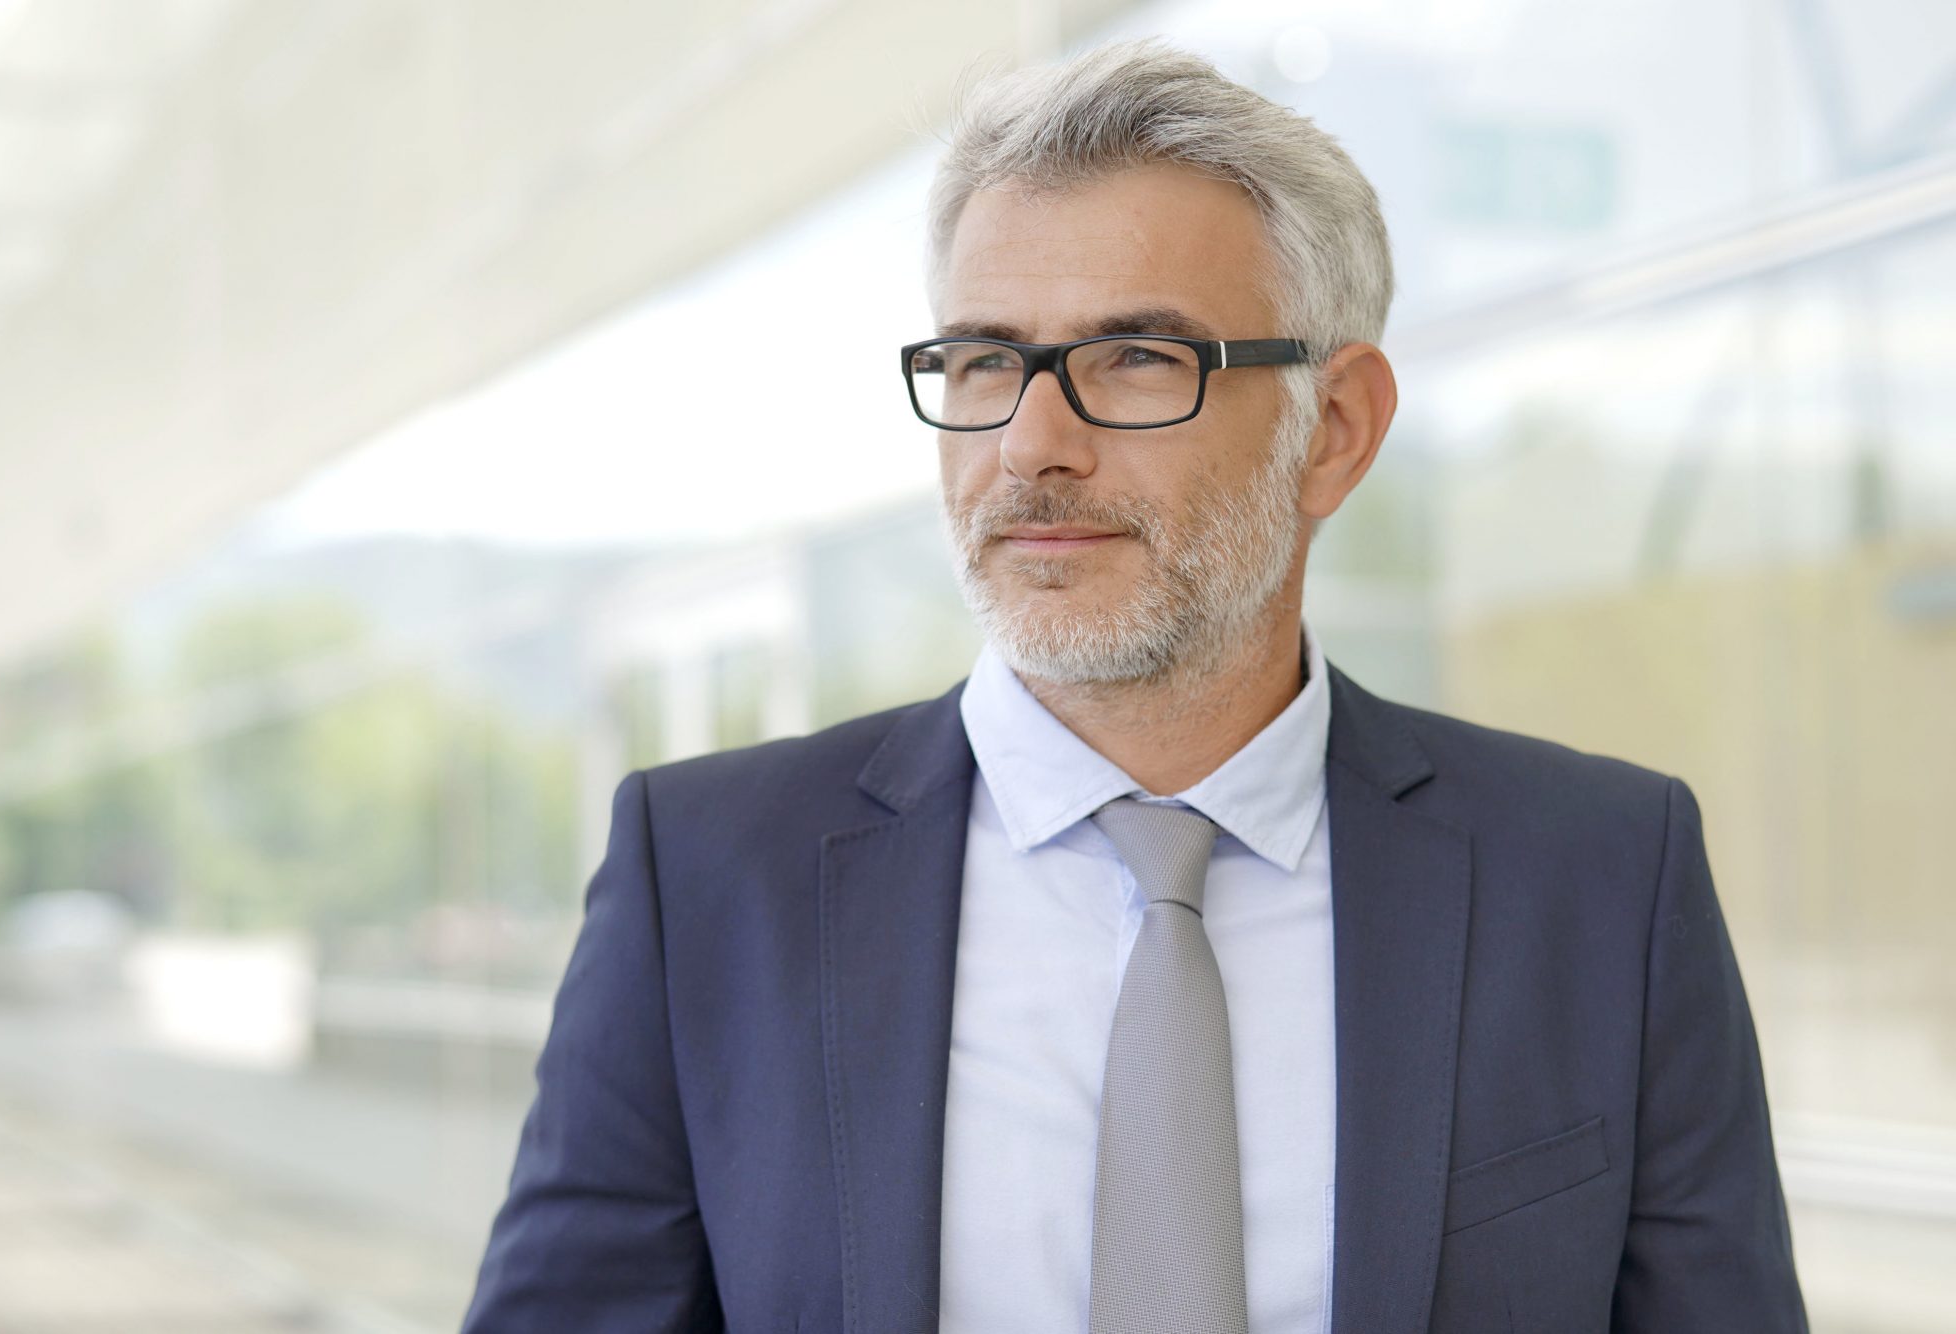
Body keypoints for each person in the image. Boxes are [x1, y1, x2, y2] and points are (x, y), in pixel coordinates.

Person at [460, 37, 1808, 1334]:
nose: (1034, 444)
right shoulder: (704, 879)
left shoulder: (1598, 878)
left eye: (1136, 359)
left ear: (1331, 431)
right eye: (987, 359)